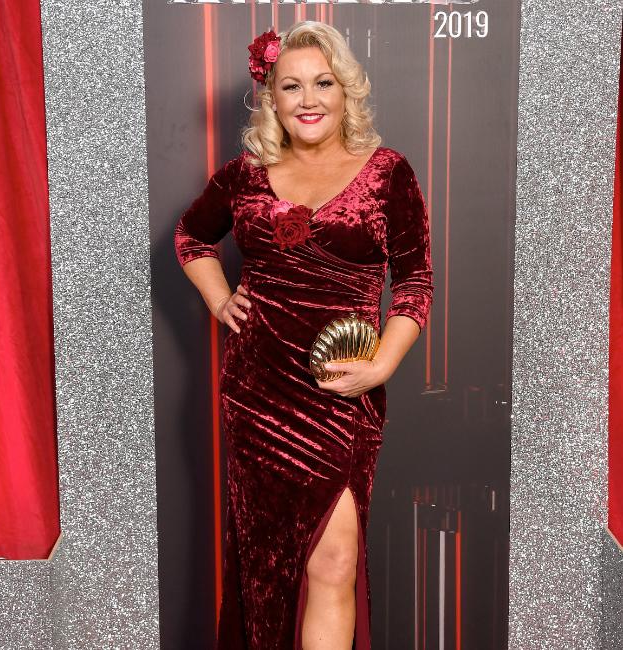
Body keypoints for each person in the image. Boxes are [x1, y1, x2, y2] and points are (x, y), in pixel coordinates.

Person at [174, 20, 433, 650]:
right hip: (258, 393)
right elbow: (191, 237)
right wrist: (220, 299)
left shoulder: (387, 173)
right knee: (269, 566)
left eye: (323, 83)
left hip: (342, 394)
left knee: (334, 558)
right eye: (291, 86)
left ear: (347, 91)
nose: (308, 99)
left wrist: (382, 366)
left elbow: (416, 281)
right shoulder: (245, 174)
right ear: (272, 97)